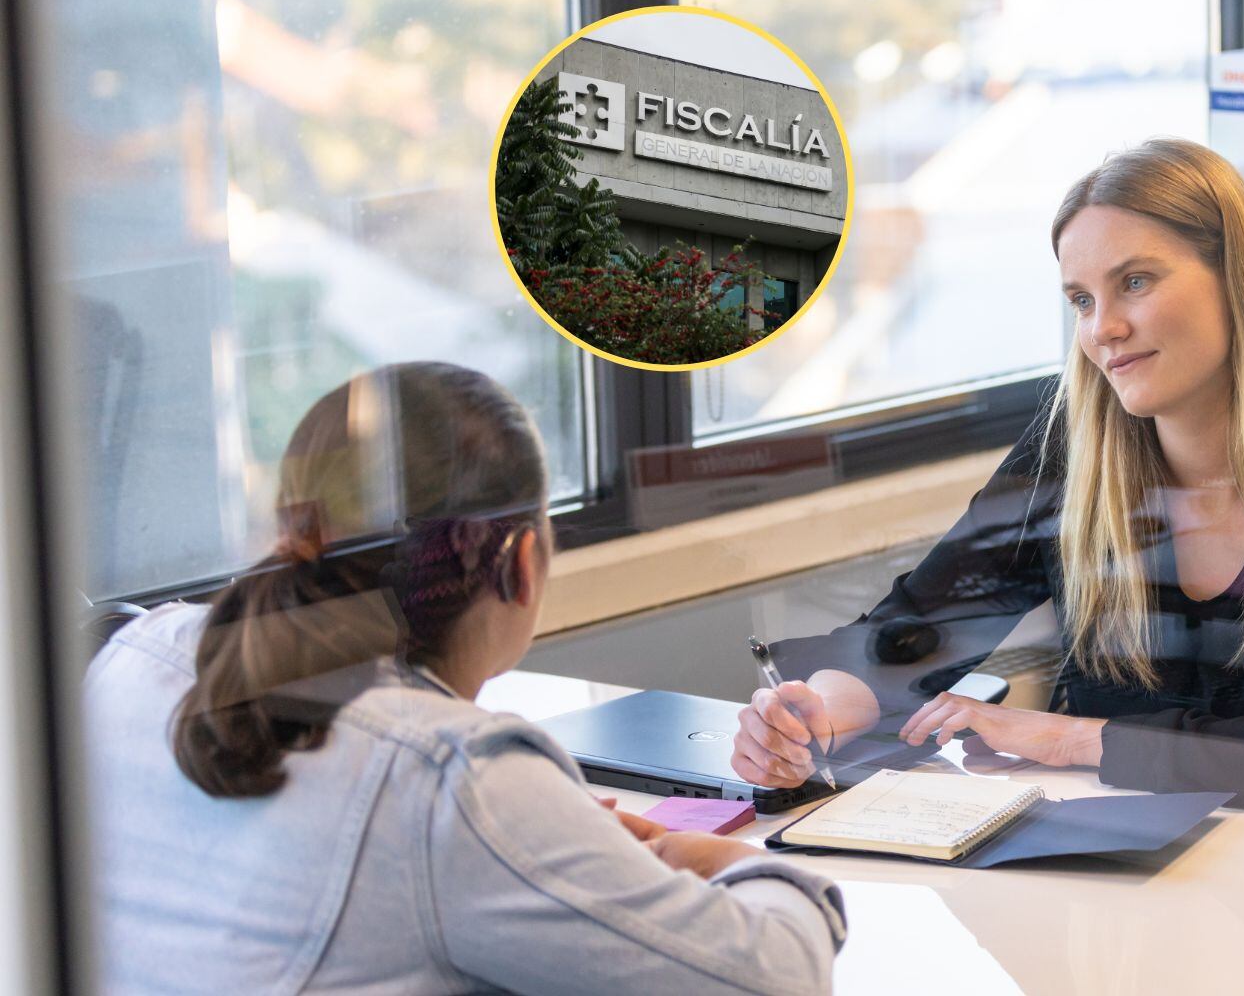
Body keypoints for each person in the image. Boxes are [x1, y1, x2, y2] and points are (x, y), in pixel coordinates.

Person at [731, 138, 1244, 815]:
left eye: (1133, 282)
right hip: (1130, 851)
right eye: (1081, 300)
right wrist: (815, 713)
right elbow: (920, 628)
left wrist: (1074, 739)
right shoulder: (1073, 448)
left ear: (1240, 279)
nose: (1102, 328)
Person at [84, 362, 845, 994]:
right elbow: (775, 977)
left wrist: (540, 829)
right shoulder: (458, 778)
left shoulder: (135, 655)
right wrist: (714, 860)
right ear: (521, 562)